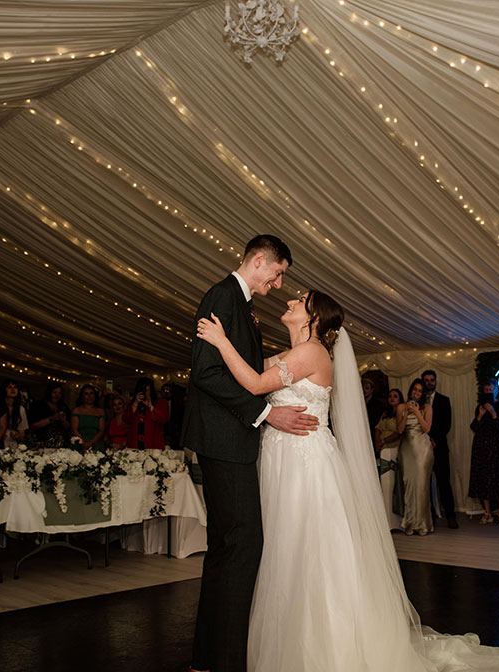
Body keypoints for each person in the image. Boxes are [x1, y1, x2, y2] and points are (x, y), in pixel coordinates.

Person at [197, 290, 499, 671]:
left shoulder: (313, 352)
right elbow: (252, 378)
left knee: (307, 550)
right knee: (284, 549)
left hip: (305, 464)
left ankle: (324, 649)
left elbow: (252, 384)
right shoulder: (290, 353)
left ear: (313, 317)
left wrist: (219, 341)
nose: (292, 299)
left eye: (301, 300)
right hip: (279, 458)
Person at [182, 234, 317, 672]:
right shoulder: (223, 297)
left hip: (229, 441)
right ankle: (226, 661)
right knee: (243, 546)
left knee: (226, 548)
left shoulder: (240, 305)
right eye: (278, 274)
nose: (278, 284)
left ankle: (209, 657)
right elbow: (206, 374)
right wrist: (264, 414)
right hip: (226, 441)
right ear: (260, 261)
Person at [469, 380, 499, 525]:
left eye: (490, 389)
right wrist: (480, 415)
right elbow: (474, 427)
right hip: (482, 447)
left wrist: (493, 413)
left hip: (497, 447)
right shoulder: (480, 407)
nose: (488, 391)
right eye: (486, 389)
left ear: (496, 390)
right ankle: (487, 513)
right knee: (483, 479)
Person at [398, 378, 434, 536]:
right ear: (410, 390)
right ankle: (410, 522)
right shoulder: (401, 407)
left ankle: (423, 524)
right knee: (409, 485)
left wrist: (417, 412)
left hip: (422, 449)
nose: (417, 393)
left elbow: (427, 428)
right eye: (415, 389)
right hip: (406, 448)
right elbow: (399, 430)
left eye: (420, 391)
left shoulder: (427, 407)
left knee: (421, 486)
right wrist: (406, 412)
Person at [422, 369, 458, 529]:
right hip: (422, 447)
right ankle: (429, 516)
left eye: (432, 380)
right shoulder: (419, 401)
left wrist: (435, 439)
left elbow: (446, 424)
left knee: (444, 482)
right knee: (425, 483)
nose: (429, 382)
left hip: (440, 447)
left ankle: (451, 515)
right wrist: (427, 440)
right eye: (427, 380)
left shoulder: (444, 400)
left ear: (436, 381)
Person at [375, 387, 404, 530]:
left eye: (395, 396)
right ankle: (386, 520)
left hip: (394, 449)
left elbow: (399, 432)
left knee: (393, 487)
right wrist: (377, 443)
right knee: (385, 487)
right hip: (383, 449)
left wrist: (384, 441)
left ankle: (395, 522)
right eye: (390, 396)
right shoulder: (385, 414)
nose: (392, 398)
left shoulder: (401, 413)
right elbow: (378, 428)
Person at [124, 378, 168, 451]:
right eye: (142, 391)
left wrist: (151, 407)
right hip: (135, 444)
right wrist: (135, 404)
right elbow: (126, 419)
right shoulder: (133, 404)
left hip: (153, 444)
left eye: (147, 391)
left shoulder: (161, 403)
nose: (145, 394)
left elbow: (163, 419)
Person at [29, 382, 72, 447]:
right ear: (49, 392)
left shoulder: (63, 407)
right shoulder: (39, 405)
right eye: (54, 392)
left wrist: (63, 421)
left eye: (59, 393)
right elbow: (32, 426)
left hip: (61, 445)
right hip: (42, 443)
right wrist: (51, 418)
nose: (57, 395)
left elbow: (69, 428)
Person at [72, 383, 106, 451]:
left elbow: (101, 431)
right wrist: (83, 443)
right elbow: (74, 430)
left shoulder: (100, 412)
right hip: (79, 442)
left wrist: (90, 443)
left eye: (91, 393)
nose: (89, 396)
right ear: (82, 396)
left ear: (95, 396)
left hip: (96, 442)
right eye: (86, 394)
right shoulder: (76, 410)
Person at [0, 379, 29, 450]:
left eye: (15, 387)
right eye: (10, 387)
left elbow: (22, 431)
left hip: (13, 444)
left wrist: (18, 436)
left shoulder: (20, 409)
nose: (13, 390)